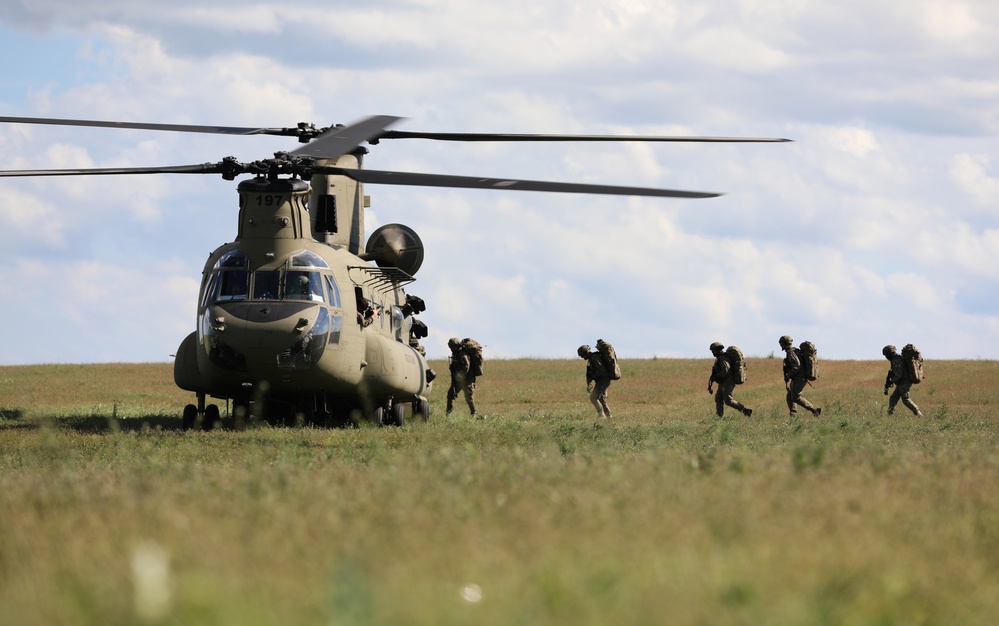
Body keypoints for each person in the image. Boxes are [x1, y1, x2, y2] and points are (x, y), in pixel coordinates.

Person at [707, 341, 753, 417]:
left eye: (713, 350)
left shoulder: (723, 358)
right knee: (718, 398)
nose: (712, 352)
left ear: (718, 349)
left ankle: (745, 410)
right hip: (723, 382)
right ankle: (719, 417)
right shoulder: (719, 358)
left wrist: (717, 376)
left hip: (728, 382)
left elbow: (726, 370)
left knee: (728, 400)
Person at [779, 335, 821, 417]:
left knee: (795, 397)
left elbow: (796, 366)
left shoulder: (791, 352)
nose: (781, 345)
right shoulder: (794, 351)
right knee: (790, 396)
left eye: (781, 343)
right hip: (799, 377)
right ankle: (793, 414)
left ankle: (814, 410)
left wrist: (789, 375)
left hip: (799, 378)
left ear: (785, 343)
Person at [883, 344, 923, 416]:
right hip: (902, 382)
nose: (886, 357)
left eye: (886, 355)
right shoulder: (896, 359)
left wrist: (891, 381)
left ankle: (918, 413)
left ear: (890, 353)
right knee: (893, 398)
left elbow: (898, 375)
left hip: (904, 381)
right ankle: (889, 415)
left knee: (905, 399)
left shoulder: (896, 360)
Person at [578, 344, 612, 418]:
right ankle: (609, 417)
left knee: (593, 397)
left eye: (583, 355)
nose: (583, 358)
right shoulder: (592, 358)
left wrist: (593, 377)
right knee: (602, 401)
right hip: (602, 381)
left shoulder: (594, 358)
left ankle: (602, 416)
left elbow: (601, 371)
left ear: (586, 353)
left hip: (603, 381)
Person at [446, 337, 477, 415]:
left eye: (453, 346)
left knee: (469, 397)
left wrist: (459, 376)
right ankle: (448, 414)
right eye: (450, 346)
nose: (451, 348)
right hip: (457, 380)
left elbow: (466, 366)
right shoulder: (455, 353)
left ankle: (474, 413)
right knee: (451, 395)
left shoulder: (462, 354)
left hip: (467, 379)